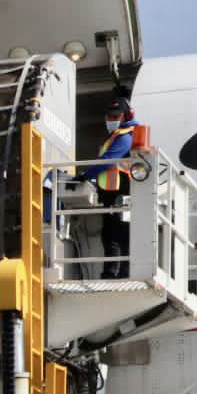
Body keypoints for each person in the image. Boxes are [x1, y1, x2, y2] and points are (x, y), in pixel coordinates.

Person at [76, 96, 139, 278]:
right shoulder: (121, 136)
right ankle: (120, 272)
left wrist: (85, 176)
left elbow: (107, 161)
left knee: (113, 236)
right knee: (118, 235)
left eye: (115, 117)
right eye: (109, 117)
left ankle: (113, 273)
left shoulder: (124, 137)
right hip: (115, 194)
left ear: (126, 116)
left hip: (119, 194)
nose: (111, 120)